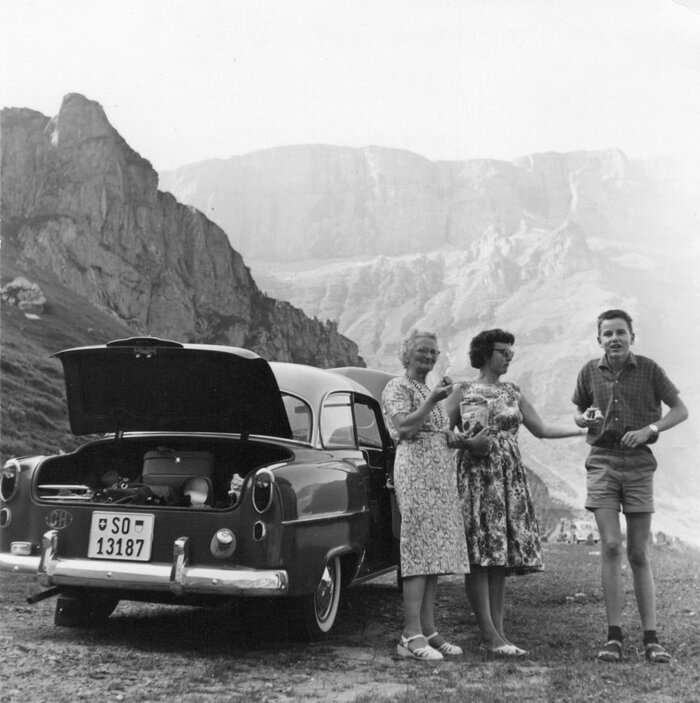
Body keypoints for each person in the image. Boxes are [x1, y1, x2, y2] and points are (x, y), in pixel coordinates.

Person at [445, 328, 582, 656]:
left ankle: (500, 634)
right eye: (503, 351)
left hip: (508, 478)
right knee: (480, 555)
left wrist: (581, 428)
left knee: (498, 557)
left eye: (511, 352)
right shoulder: (463, 390)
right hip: (477, 476)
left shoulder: (513, 392)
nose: (509, 356)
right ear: (485, 354)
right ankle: (489, 635)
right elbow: (441, 430)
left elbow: (542, 429)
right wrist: (466, 442)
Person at [573, 309, 688, 664]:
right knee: (610, 546)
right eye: (607, 334)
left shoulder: (650, 369)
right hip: (602, 463)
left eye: (621, 332)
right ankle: (614, 637)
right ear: (599, 340)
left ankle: (651, 638)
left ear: (632, 337)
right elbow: (579, 411)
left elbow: (680, 410)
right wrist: (584, 419)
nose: (614, 339)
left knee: (638, 552)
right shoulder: (589, 371)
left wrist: (650, 430)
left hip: (639, 466)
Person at [381, 329, 470, 660]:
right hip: (415, 471)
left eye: (433, 351)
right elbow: (404, 428)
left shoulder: (423, 388)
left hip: (439, 473)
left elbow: (436, 429)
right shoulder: (398, 387)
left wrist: (458, 438)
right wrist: (433, 399)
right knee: (418, 550)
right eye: (422, 350)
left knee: (432, 552)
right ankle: (409, 634)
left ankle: (429, 630)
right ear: (406, 354)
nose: (429, 356)